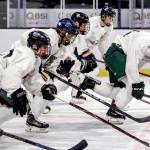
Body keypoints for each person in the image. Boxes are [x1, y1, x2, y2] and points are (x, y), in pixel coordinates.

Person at [0, 30, 57, 132]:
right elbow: (13, 73)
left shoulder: (35, 59)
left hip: (2, 80)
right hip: (3, 79)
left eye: (46, 47)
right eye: (43, 47)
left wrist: (42, 88)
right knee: (18, 102)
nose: (46, 50)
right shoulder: (28, 55)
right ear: (35, 46)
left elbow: (31, 79)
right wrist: (15, 91)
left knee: (23, 101)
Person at [103, 30, 149, 122]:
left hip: (120, 54)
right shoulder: (142, 44)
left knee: (117, 90)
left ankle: (89, 83)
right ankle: (113, 111)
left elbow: (136, 64)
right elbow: (131, 67)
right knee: (132, 86)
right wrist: (136, 85)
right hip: (116, 53)